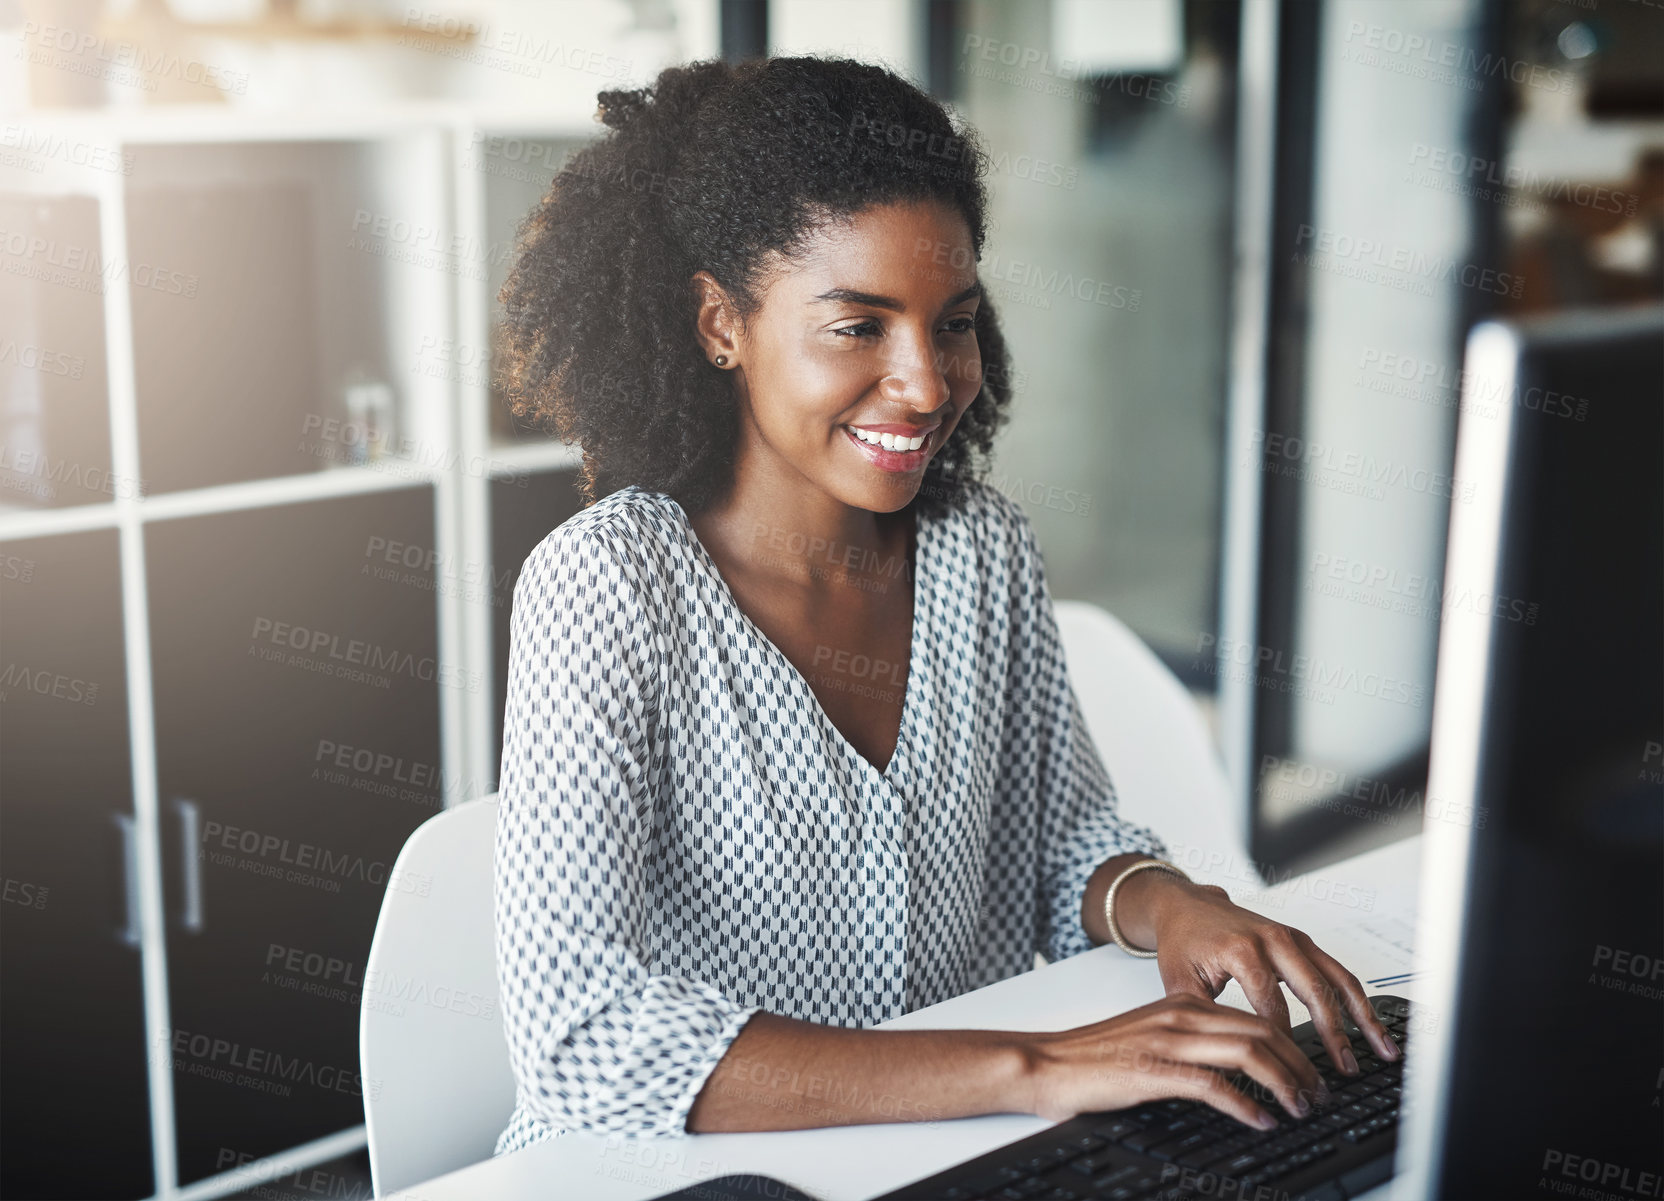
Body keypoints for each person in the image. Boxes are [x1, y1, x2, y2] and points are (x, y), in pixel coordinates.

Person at [489, 55, 1399, 1155]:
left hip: (938, 1146)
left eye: (952, 321)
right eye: (857, 326)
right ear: (720, 324)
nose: (925, 381)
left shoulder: (980, 549)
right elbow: (585, 1039)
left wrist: (1173, 901)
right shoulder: (608, 589)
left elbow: (1060, 841)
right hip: (678, 1167)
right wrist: (1038, 1067)